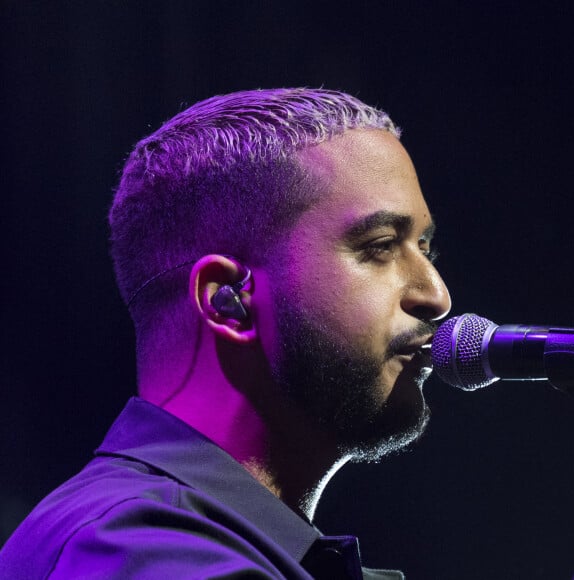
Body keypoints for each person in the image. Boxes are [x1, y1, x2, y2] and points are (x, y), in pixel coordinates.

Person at [0, 88, 451, 578]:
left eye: (424, 247)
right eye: (382, 245)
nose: (436, 295)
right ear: (228, 300)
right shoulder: (142, 550)